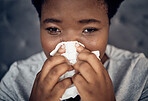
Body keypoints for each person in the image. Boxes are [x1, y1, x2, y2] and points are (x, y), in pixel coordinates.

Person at [0, 0, 147, 101]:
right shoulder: (16, 79)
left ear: (108, 26)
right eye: (53, 29)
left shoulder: (140, 73)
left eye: (89, 29)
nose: (70, 45)